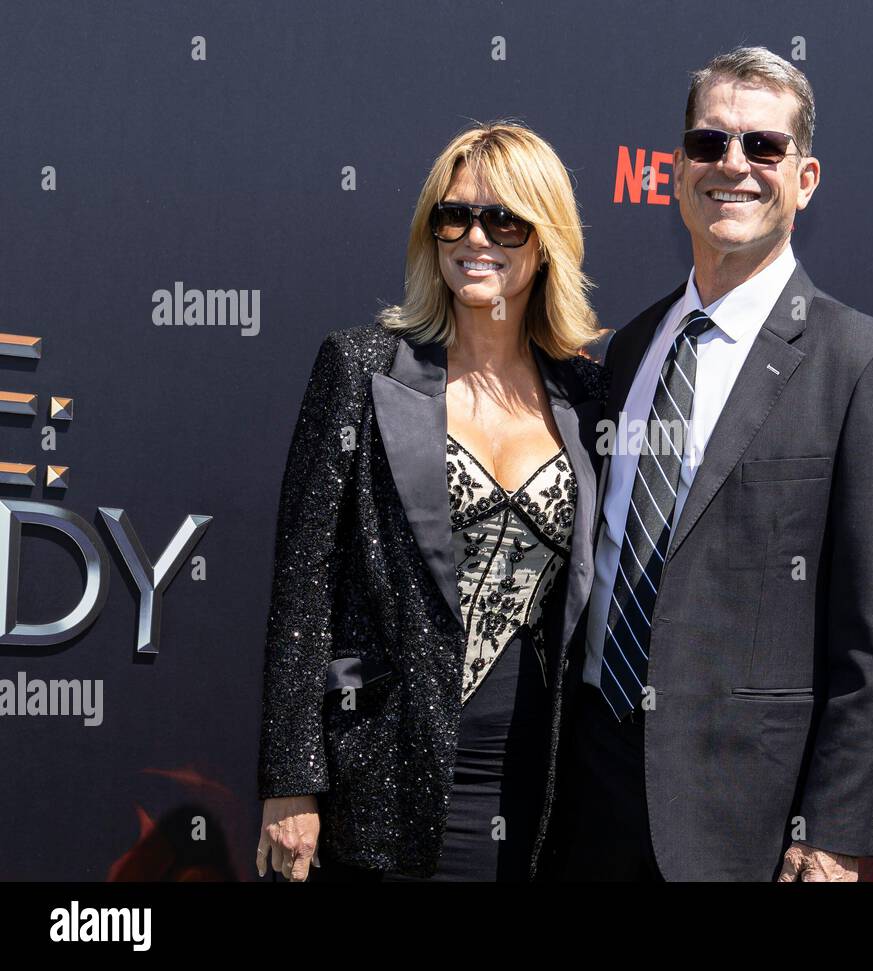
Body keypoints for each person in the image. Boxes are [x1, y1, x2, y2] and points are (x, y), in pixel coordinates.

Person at [549, 46, 873, 882]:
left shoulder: (864, 366)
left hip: (743, 827)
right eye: (708, 143)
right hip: (580, 797)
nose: (733, 166)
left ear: (805, 178)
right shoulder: (626, 351)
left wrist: (832, 829)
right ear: (677, 169)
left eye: (763, 147)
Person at [255, 121, 606, 882]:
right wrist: (291, 780)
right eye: (456, 216)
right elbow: (305, 585)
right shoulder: (361, 367)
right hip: (384, 765)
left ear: (545, 238)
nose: (476, 237)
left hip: (530, 771)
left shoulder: (585, 394)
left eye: (504, 219)